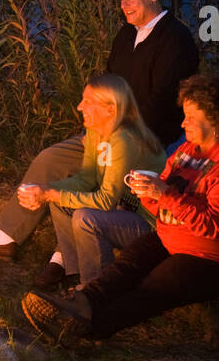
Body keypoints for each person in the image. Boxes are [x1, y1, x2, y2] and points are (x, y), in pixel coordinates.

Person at [0, 0, 198, 274]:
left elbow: (162, 104)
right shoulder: (126, 35)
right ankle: (5, 238)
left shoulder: (176, 39)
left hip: (148, 141)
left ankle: (63, 262)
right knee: (50, 159)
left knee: (92, 181)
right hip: (106, 132)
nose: (124, 5)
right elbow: (106, 86)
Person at [22, 75, 219, 344]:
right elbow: (163, 195)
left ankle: (88, 329)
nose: (183, 123)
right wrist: (148, 192)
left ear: (215, 118)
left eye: (190, 118)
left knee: (159, 283)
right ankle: (79, 303)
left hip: (217, 258)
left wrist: (164, 194)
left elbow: (215, 224)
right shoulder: (189, 149)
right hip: (175, 237)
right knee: (131, 260)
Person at [15, 74, 166, 288]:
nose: (79, 106)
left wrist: (50, 193)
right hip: (121, 210)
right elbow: (86, 179)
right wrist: (47, 190)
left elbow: (105, 201)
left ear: (110, 109)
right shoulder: (96, 130)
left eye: (88, 102)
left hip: (149, 223)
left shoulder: (124, 139)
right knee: (61, 203)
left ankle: (95, 289)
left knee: (85, 218)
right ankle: (76, 273)